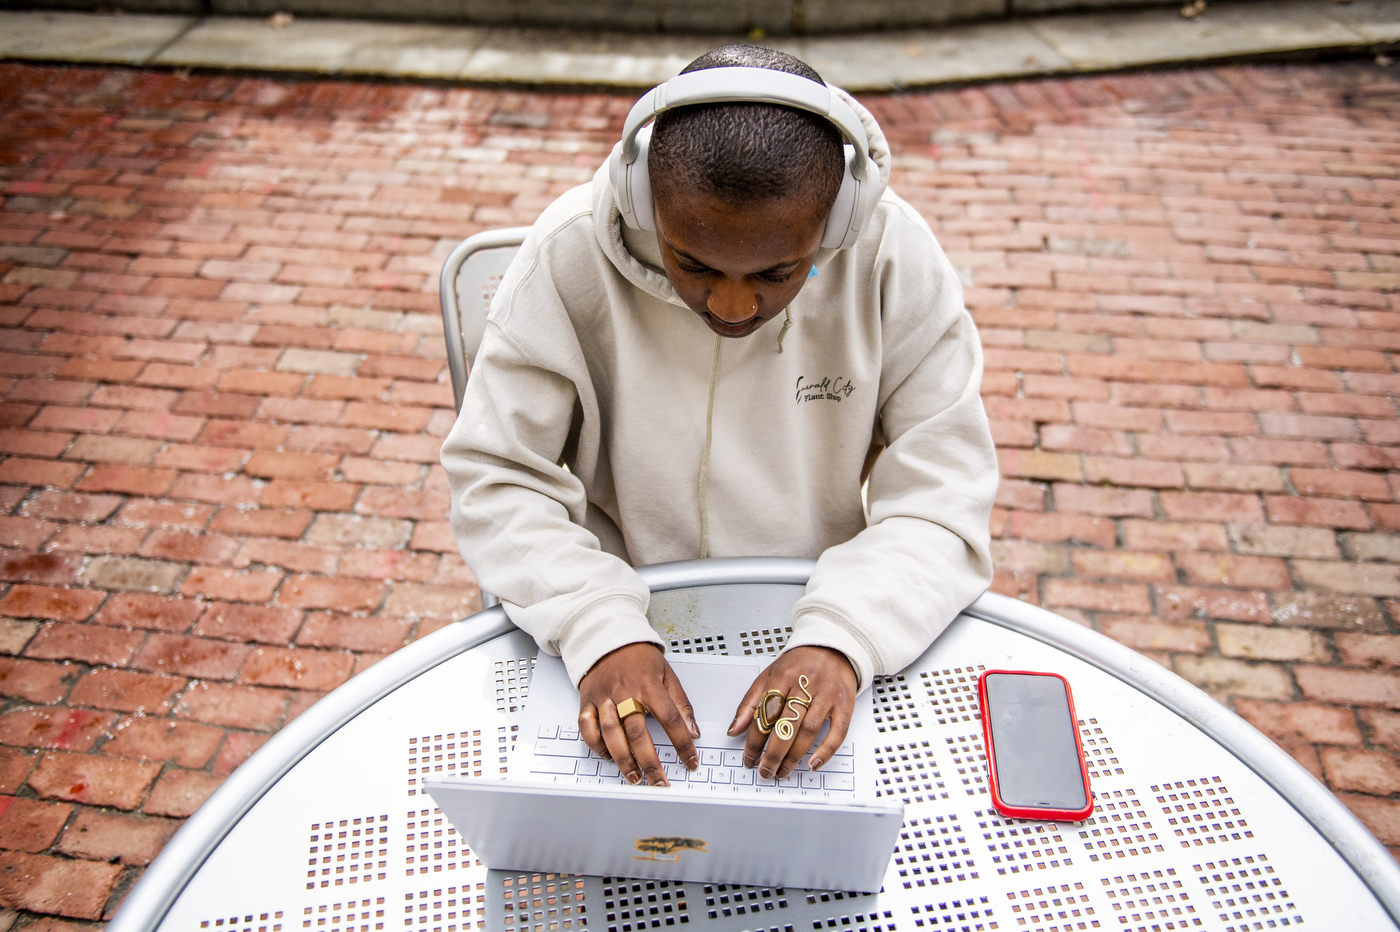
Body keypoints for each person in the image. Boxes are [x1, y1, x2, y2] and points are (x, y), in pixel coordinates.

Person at [440, 45, 997, 791]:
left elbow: (943, 495)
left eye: (777, 273)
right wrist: (599, 631)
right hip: (608, 611)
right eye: (692, 262)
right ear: (642, 200)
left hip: (820, 613)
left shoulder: (893, 259)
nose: (733, 308)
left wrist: (842, 638)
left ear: (837, 225)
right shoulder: (569, 252)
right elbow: (498, 477)